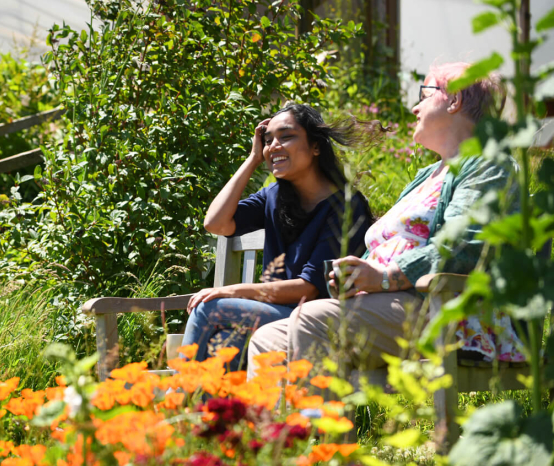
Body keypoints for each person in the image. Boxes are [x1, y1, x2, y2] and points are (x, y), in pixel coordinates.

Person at [247, 63, 524, 373]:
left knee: (308, 321)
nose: (415, 107)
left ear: (454, 99)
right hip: (387, 304)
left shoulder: (487, 166)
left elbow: (463, 246)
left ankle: (314, 421)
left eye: (424, 94)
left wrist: (383, 277)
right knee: (267, 339)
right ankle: (278, 423)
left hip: (439, 308)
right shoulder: (425, 177)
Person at [181, 103, 379, 364]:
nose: (273, 146)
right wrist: (253, 159)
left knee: (208, 309)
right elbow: (216, 224)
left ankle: (178, 396)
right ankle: (214, 405)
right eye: (267, 140)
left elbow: (308, 288)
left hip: (315, 319)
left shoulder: (345, 208)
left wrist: (231, 291)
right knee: (228, 341)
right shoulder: (274, 196)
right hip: (275, 314)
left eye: (286, 136)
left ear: (315, 146)